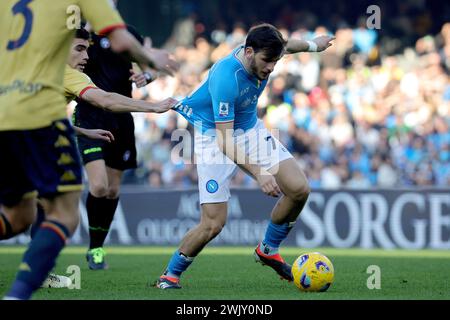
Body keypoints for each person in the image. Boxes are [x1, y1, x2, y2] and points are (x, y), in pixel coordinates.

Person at [0, 0, 177, 300]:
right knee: (66, 214)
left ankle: (61, 264)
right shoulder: (62, 66)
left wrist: (80, 130)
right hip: (41, 121)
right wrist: (154, 96)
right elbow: (106, 98)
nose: (86, 55)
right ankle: (20, 293)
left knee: (22, 215)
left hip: (8, 117)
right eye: (80, 49)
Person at [155, 23, 334, 289]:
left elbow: (288, 46)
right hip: (214, 135)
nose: (271, 68)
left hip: (249, 129)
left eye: (275, 61)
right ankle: (169, 275)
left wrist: (313, 45)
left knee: (299, 189)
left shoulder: (268, 50)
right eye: (267, 61)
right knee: (213, 224)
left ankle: (268, 249)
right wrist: (260, 174)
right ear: (249, 52)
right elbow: (225, 141)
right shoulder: (226, 77)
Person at [72, 18, 172, 270]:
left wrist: (147, 75)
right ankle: (93, 246)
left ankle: (96, 248)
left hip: (123, 116)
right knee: (98, 186)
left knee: (113, 190)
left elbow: (155, 66)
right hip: (90, 114)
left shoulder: (128, 34)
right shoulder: (81, 35)